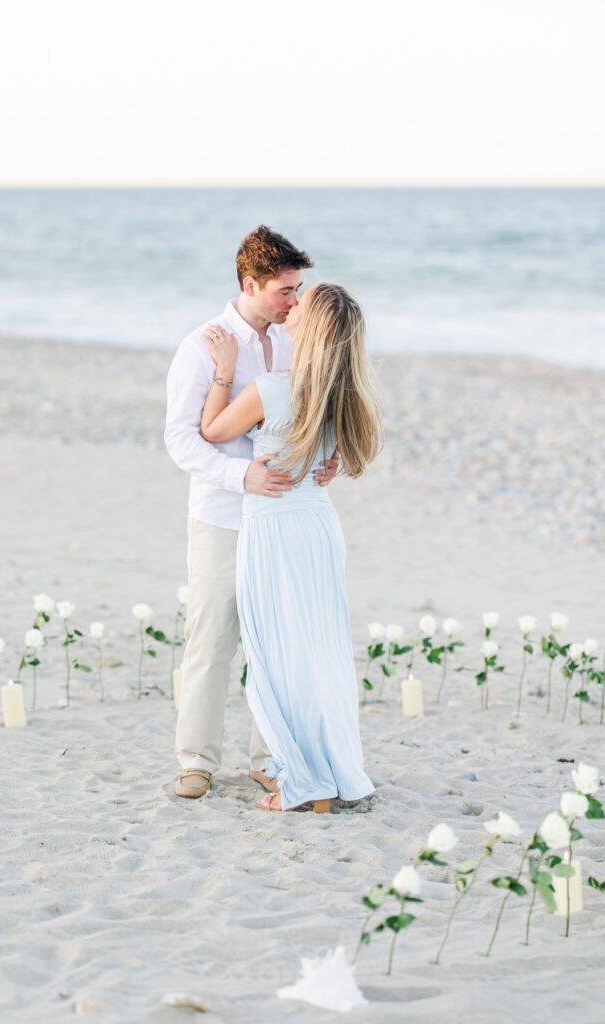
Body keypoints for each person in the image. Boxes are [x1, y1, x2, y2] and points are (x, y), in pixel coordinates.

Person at [164, 226, 339, 800]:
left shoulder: (295, 342)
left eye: (298, 289)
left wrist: (326, 456)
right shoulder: (203, 345)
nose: (294, 301)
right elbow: (182, 442)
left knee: (277, 640)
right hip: (222, 514)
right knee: (212, 639)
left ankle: (271, 758)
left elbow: (306, 415)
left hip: (282, 517)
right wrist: (244, 475)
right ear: (251, 284)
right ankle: (196, 761)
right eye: (285, 290)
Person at [200, 282, 381, 812]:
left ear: (312, 325)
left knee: (278, 655)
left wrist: (224, 372)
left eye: (303, 300)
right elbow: (345, 459)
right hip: (319, 529)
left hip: (275, 529)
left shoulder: (273, 389)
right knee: (320, 654)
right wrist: (327, 466)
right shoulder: (346, 395)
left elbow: (211, 431)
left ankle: (306, 783)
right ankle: (328, 774)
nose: (292, 303)